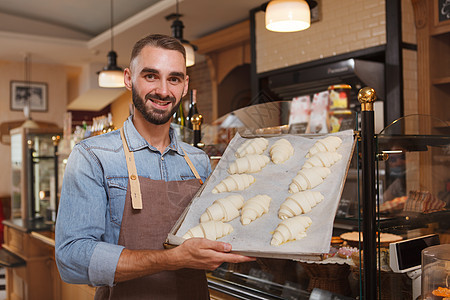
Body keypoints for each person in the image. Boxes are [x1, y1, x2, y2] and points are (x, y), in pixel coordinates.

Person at [55, 34, 254, 300]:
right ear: (129, 79)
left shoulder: (198, 162)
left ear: (185, 86)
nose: (163, 90)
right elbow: (71, 259)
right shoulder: (93, 157)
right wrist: (171, 259)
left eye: (174, 78)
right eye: (151, 76)